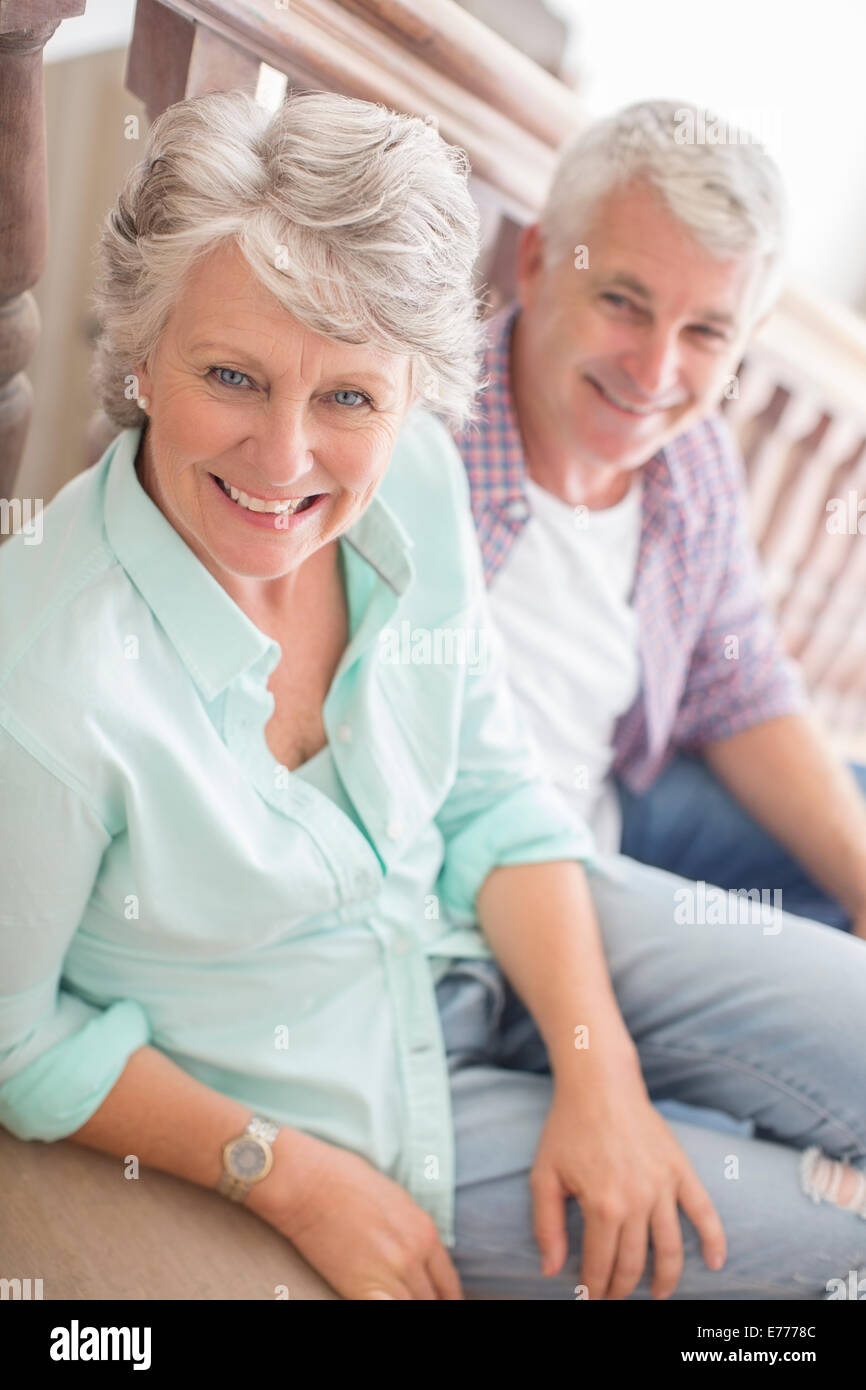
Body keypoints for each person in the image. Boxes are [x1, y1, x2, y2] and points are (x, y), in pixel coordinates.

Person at [1, 88, 865, 1304]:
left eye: (348, 395)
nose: (284, 458)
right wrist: (279, 1171)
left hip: (511, 918)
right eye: (234, 376)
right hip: (372, 1098)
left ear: (409, 390)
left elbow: (495, 794)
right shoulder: (38, 683)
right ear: (144, 352)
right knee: (838, 1256)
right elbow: (13, 1039)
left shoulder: (410, 475)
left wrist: (599, 1068)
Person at [453, 99, 866, 937]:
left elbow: (737, 682)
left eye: (706, 332)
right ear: (536, 262)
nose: (655, 372)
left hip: (619, 805)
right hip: (512, 888)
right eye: (623, 303)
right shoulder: (425, 439)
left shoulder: (693, 461)